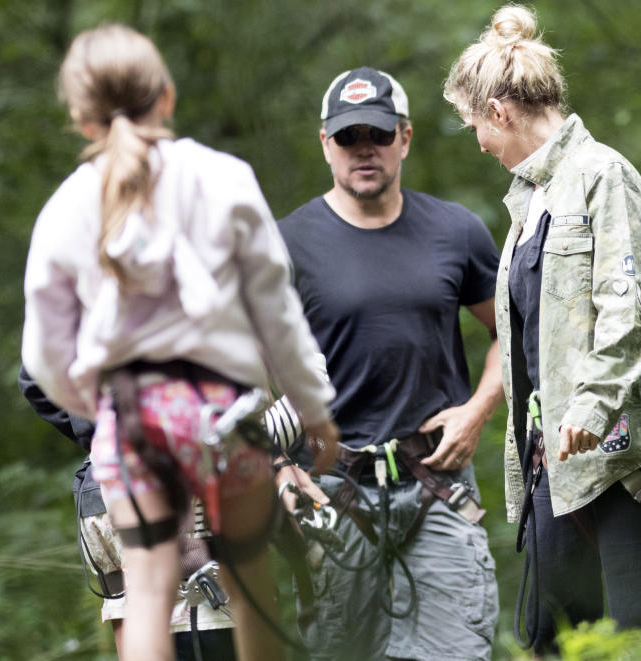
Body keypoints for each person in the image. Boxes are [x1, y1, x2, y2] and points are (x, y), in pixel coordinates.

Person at [20, 24, 339, 661]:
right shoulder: (224, 179)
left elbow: (43, 357)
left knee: (149, 593)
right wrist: (313, 408)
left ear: (81, 118)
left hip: (132, 415)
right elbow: (278, 316)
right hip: (225, 407)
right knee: (248, 580)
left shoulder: (66, 207)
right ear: (165, 96)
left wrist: (95, 403)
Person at [443, 4, 641, 655]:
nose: (478, 142)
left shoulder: (602, 175)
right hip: (553, 466)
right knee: (550, 640)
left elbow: (627, 307)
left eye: (475, 123)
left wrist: (591, 404)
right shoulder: (530, 202)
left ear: (500, 111)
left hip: (621, 453)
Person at [275, 66, 503, 661]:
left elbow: (512, 333)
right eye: (348, 137)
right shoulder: (285, 246)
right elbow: (250, 372)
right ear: (325, 144)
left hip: (438, 486)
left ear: (405, 136)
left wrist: (477, 411)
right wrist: (279, 467)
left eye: (377, 134)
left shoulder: (457, 231)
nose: (364, 150)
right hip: (332, 492)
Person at [18, 365, 237, 661]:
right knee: (214, 621)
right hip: (172, 473)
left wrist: (98, 433)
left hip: (101, 489)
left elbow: (34, 374)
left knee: (134, 615)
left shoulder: (71, 318)